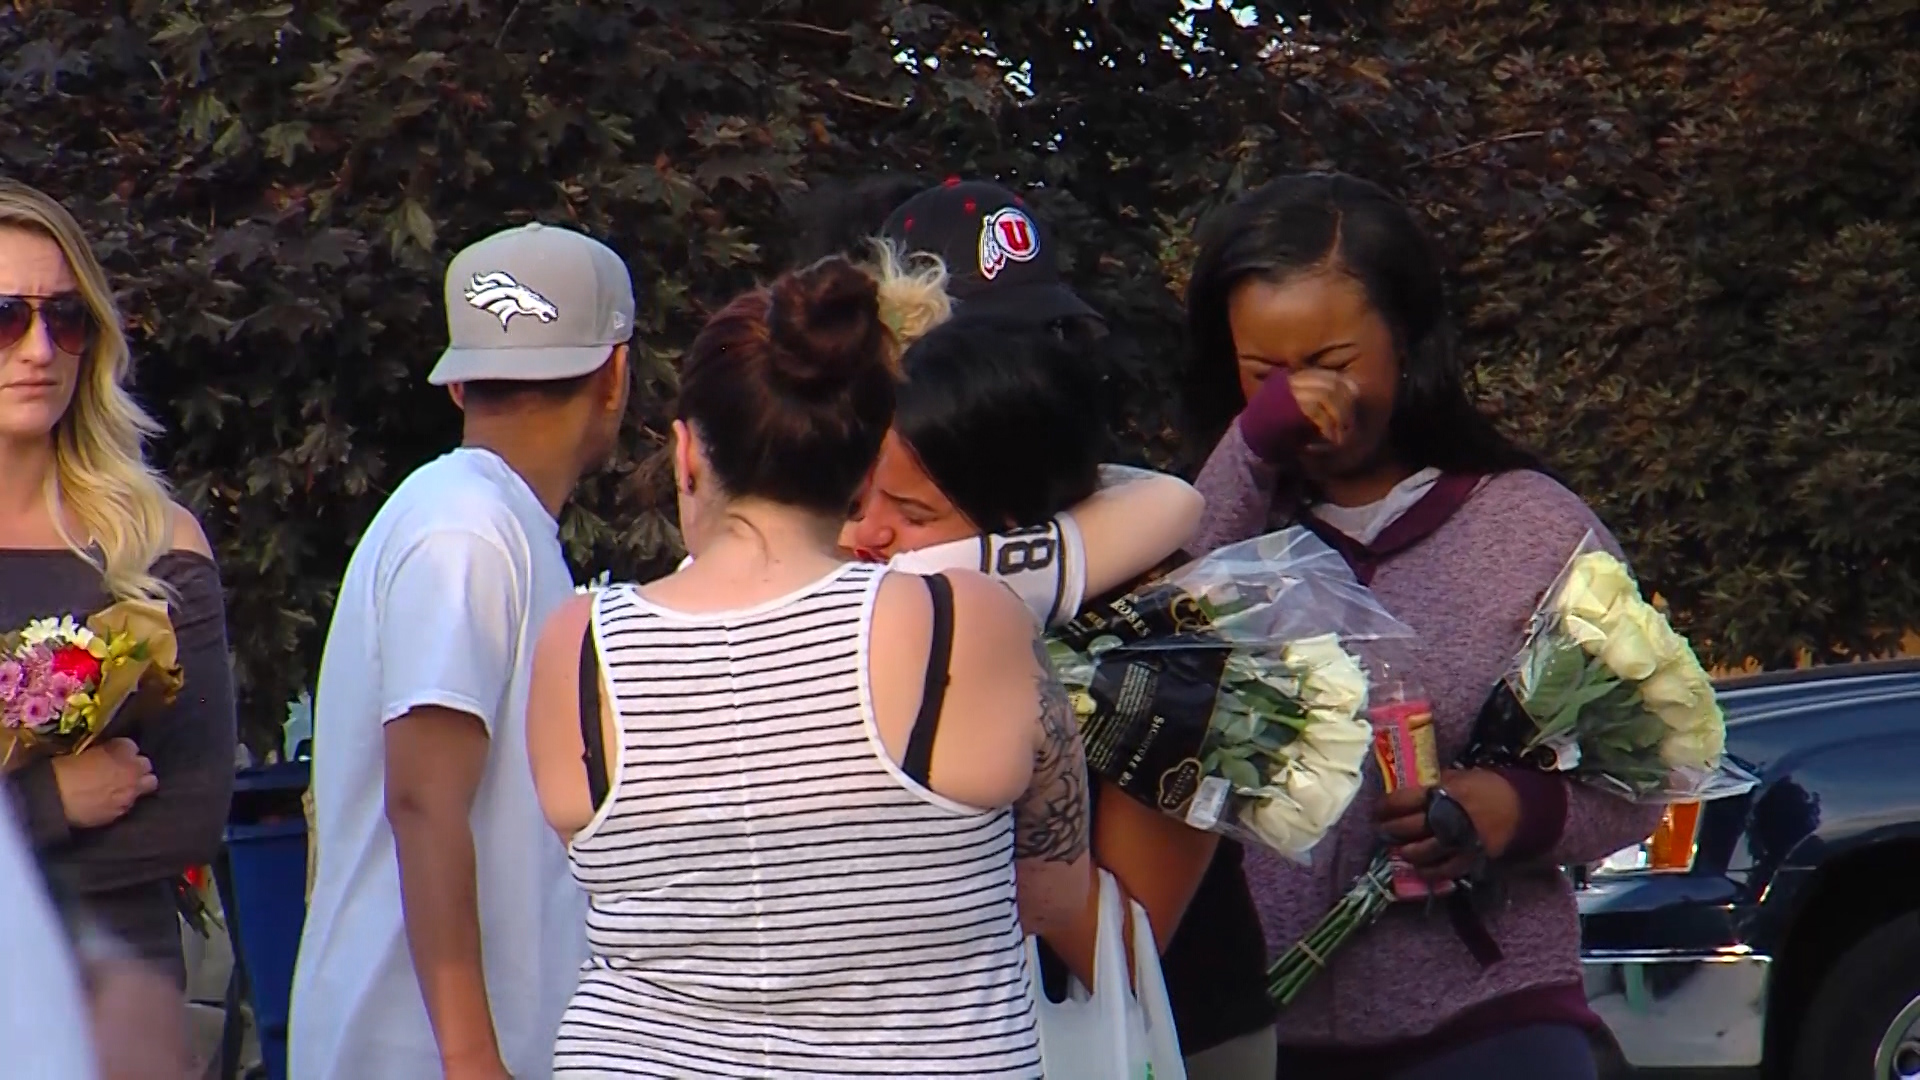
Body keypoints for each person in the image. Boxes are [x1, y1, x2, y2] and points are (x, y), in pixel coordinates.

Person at [523, 256, 1091, 1078]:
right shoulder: (963, 623)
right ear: (867, 475)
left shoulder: (578, 649)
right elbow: (1054, 895)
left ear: (686, 454)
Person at [1184, 172, 1664, 1079]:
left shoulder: (1531, 529)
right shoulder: (1217, 530)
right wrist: (1248, 452)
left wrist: (1513, 810)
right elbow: (1143, 661)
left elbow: (1645, 765)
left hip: (1490, 1021)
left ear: (1406, 343)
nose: (1307, 399)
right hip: (1253, 1035)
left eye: (1332, 361)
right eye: (1265, 376)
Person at [845, 315, 1281, 1079]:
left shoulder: (1165, 665)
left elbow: (1114, 952)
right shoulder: (875, 634)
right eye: (854, 505)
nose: (868, 536)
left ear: (1017, 535)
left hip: (1158, 1045)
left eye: (913, 516)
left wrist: (1011, 754)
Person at [290, 222, 633, 1080]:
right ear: (616, 376)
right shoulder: (467, 531)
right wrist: (472, 1057)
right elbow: (424, 798)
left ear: (459, 386)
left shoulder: (483, 519)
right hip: (419, 1053)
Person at [0, 178, 235, 986]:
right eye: (4, 318)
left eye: (64, 318)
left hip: (119, 1000)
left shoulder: (156, 539)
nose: (38, 351)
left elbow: (190, 818)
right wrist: (50, 805)